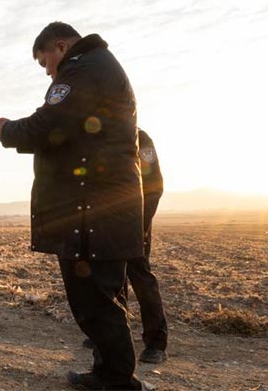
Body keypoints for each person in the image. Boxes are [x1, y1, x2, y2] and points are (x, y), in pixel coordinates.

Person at [0, 22, 152, 390]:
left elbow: (51, 122)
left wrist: (9, 131)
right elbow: (67, 129)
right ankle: (111, 373)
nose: (48, 71)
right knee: (102, 297)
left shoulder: (82, 70)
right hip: (102, 205)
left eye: (45, 62)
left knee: (95, 300)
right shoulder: (98, 67)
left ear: (60, 46)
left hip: (92, 208)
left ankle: (117, 380)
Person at [82, 128, 168, 364]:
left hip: (135, 222)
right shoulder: (99, 136)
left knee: (140, 276)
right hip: (105, 223)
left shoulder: (141, 138)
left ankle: (156, 343)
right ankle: (114, 334)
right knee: (110, 278)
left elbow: (154, 185)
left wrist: (141, 225)